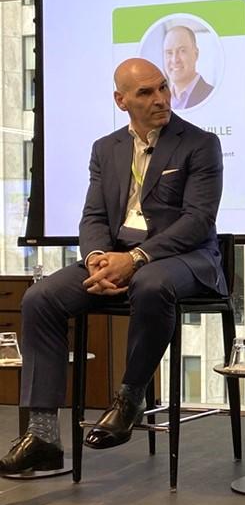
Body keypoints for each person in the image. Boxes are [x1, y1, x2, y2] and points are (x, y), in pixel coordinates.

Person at [0, 58, 225, 474]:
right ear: (121, 100)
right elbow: (93, 217)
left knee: (151, 284)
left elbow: (198, 221)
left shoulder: (199, 143)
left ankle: (129, 398)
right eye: (146, 93)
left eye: (162, 87)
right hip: (115, 256)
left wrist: (135, 259)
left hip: (183, 259)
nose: (160, 98)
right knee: (40, 298)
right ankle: (44, 434)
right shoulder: (106, 148)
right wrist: (98, 260)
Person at [163, 25, 214, 109]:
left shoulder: (211, 95)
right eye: (169, 52)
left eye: (182, 51)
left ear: (196, 54)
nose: (175, 59)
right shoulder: (161, 100)